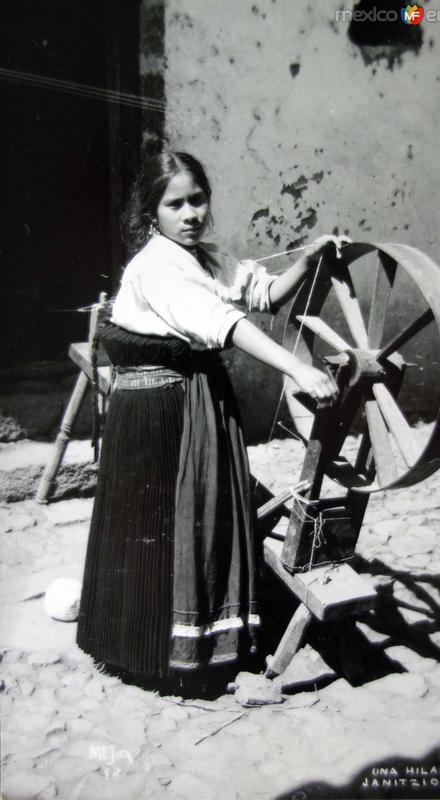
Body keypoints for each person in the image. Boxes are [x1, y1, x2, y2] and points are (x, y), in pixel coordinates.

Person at [76, 151, 348, 694]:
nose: (190, 213)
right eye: (174, 204)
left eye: (196, 200)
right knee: (161, 522)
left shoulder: (207, 258)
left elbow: (260, 295)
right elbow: (222, 322)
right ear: (152, 212)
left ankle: (208, 639)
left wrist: (307, 261)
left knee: (208, 510)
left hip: (200, 399)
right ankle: (149, 652)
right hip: (156, 411)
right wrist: (297, 367)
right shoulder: (155, 266)